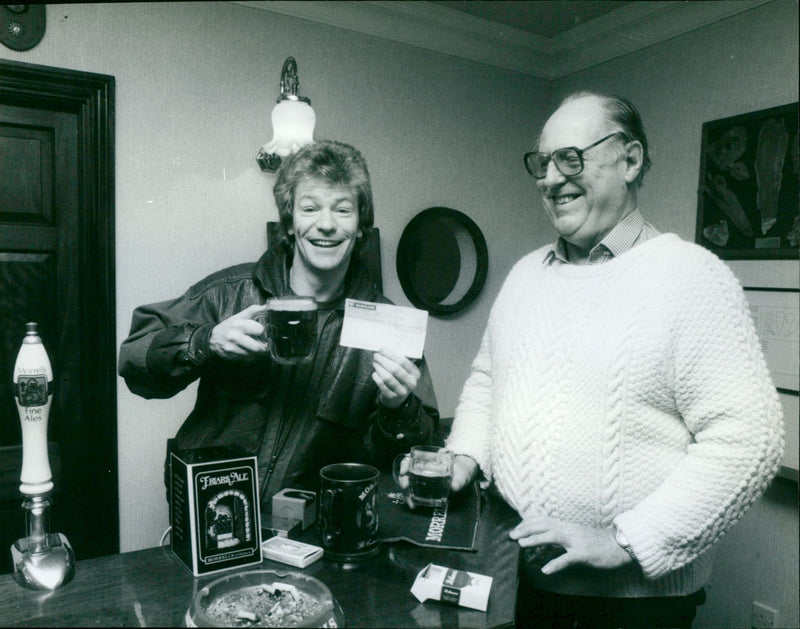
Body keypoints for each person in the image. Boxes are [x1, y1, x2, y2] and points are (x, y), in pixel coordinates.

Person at [443, 92, 784, 628]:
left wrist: (624, 540)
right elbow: (488, 382)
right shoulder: (526, 274)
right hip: (523, 580)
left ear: (630, 160)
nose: (551, 179)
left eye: (570, 159)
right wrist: (464, 454)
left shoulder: (692, 276)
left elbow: (750, 441)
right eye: (542, 163)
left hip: (634, 605)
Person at [119, 140, 439, 507]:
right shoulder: (230, 293)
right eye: (310, 208)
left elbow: (416, 455)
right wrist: (205, 342)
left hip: (311, 529)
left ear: (361, 226)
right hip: (212, 511)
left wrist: (398, 408)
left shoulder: (386, 324)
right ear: (289, 221)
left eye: (343, 210)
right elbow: (133, 359)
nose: (326, 224)